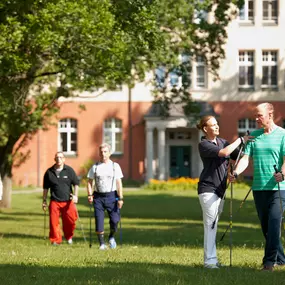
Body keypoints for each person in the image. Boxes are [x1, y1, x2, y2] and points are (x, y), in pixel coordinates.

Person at [229, 102, 285, 271]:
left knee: (275, 222)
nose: (256, 119)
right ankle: (281, 259)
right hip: (259, 187)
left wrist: (282, 174)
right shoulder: (254, 136)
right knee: (267, 227)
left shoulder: (283, 134)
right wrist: (236, 173)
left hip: (279, 187)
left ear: (270, 114)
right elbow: (246, 159)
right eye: (256, 115)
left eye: (259, 115)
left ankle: (268, 262)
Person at [197, 115, 249, 269]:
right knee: (210, 224)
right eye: (213, 125)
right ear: (206, 129)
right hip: (208, 189)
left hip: (221, 189)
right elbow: (225, 153)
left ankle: (212, 259)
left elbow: (236, 156)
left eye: (217, 123)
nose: (217, 126)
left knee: (214, 223)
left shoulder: (222, 142)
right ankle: (209, 261)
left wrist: (235, 172)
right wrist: (241, 139)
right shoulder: (204, 144)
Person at [87, 143, 124, 250]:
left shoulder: (115, 166)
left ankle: (111, 236)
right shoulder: (95, 167)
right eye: (101, 152)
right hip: (98, 197)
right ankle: (102, 244)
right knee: (99, 220)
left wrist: (120, 198)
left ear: (110, 153)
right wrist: (89, 194)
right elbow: (89, 182)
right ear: (99, 153)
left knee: (115, 220)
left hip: (112, 196)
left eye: (105, 152)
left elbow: (119, 183)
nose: (103, 154)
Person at [42, 151, 79, 245]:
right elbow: (45, 188)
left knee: (70, 221)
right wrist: (44, 200)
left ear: (64, 159)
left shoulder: (69, 170)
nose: (59, 159)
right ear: (54, 159)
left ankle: (69, 236)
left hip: (68, 201)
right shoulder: (49, 172)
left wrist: (75, 195)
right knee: (53, 222)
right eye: (57, 157)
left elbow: (76, 184)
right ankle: (55, 240)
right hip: (54, 201)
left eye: (61, 157)